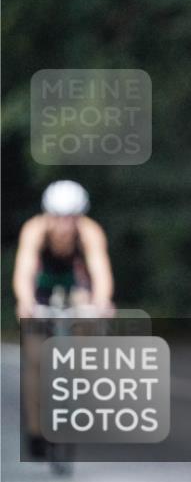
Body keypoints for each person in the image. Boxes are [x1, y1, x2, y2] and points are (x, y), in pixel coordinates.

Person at [13, 180, 114, 457]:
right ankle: (36, 430)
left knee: (87, 325)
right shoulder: (35, 230)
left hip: (76, 286)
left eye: (71, 218)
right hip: (42, 289)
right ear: (48, 215)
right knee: (35, 360)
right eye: (58, 217)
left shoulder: (90, 232)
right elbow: (24, 271)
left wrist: (102, 302)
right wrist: (25, 301)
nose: (64, 226)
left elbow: (100, 271)